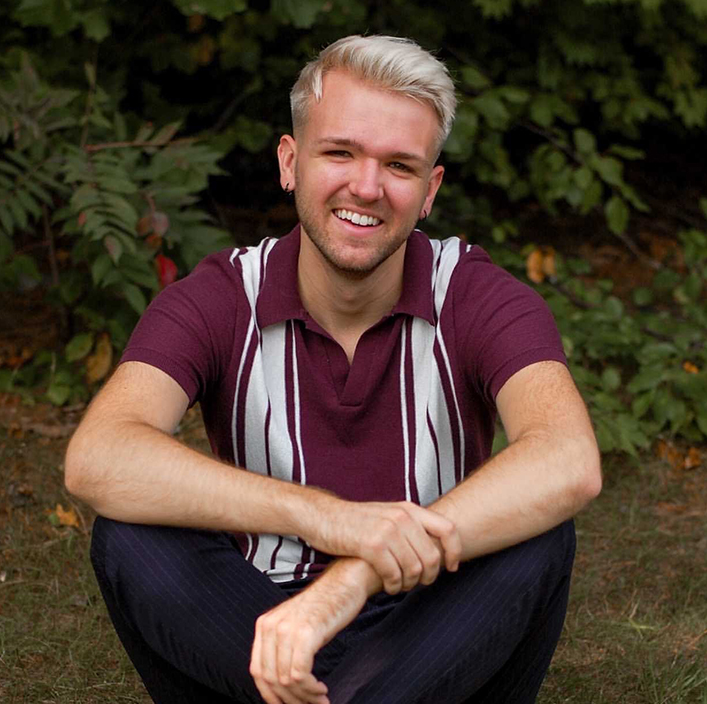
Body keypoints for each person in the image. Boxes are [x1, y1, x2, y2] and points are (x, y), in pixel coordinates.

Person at [65, 34, 601, 704]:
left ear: (429, 190)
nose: (366, 187)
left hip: (431, 621)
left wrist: (352, 580)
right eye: (339, 152)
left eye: (399, 166)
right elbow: (99, 456)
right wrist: (324, 520)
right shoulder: (219, 297)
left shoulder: (476, 295)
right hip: (257, 621)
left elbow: (567, 458)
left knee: (538, 532)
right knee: (130, 534)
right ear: (289, 162)